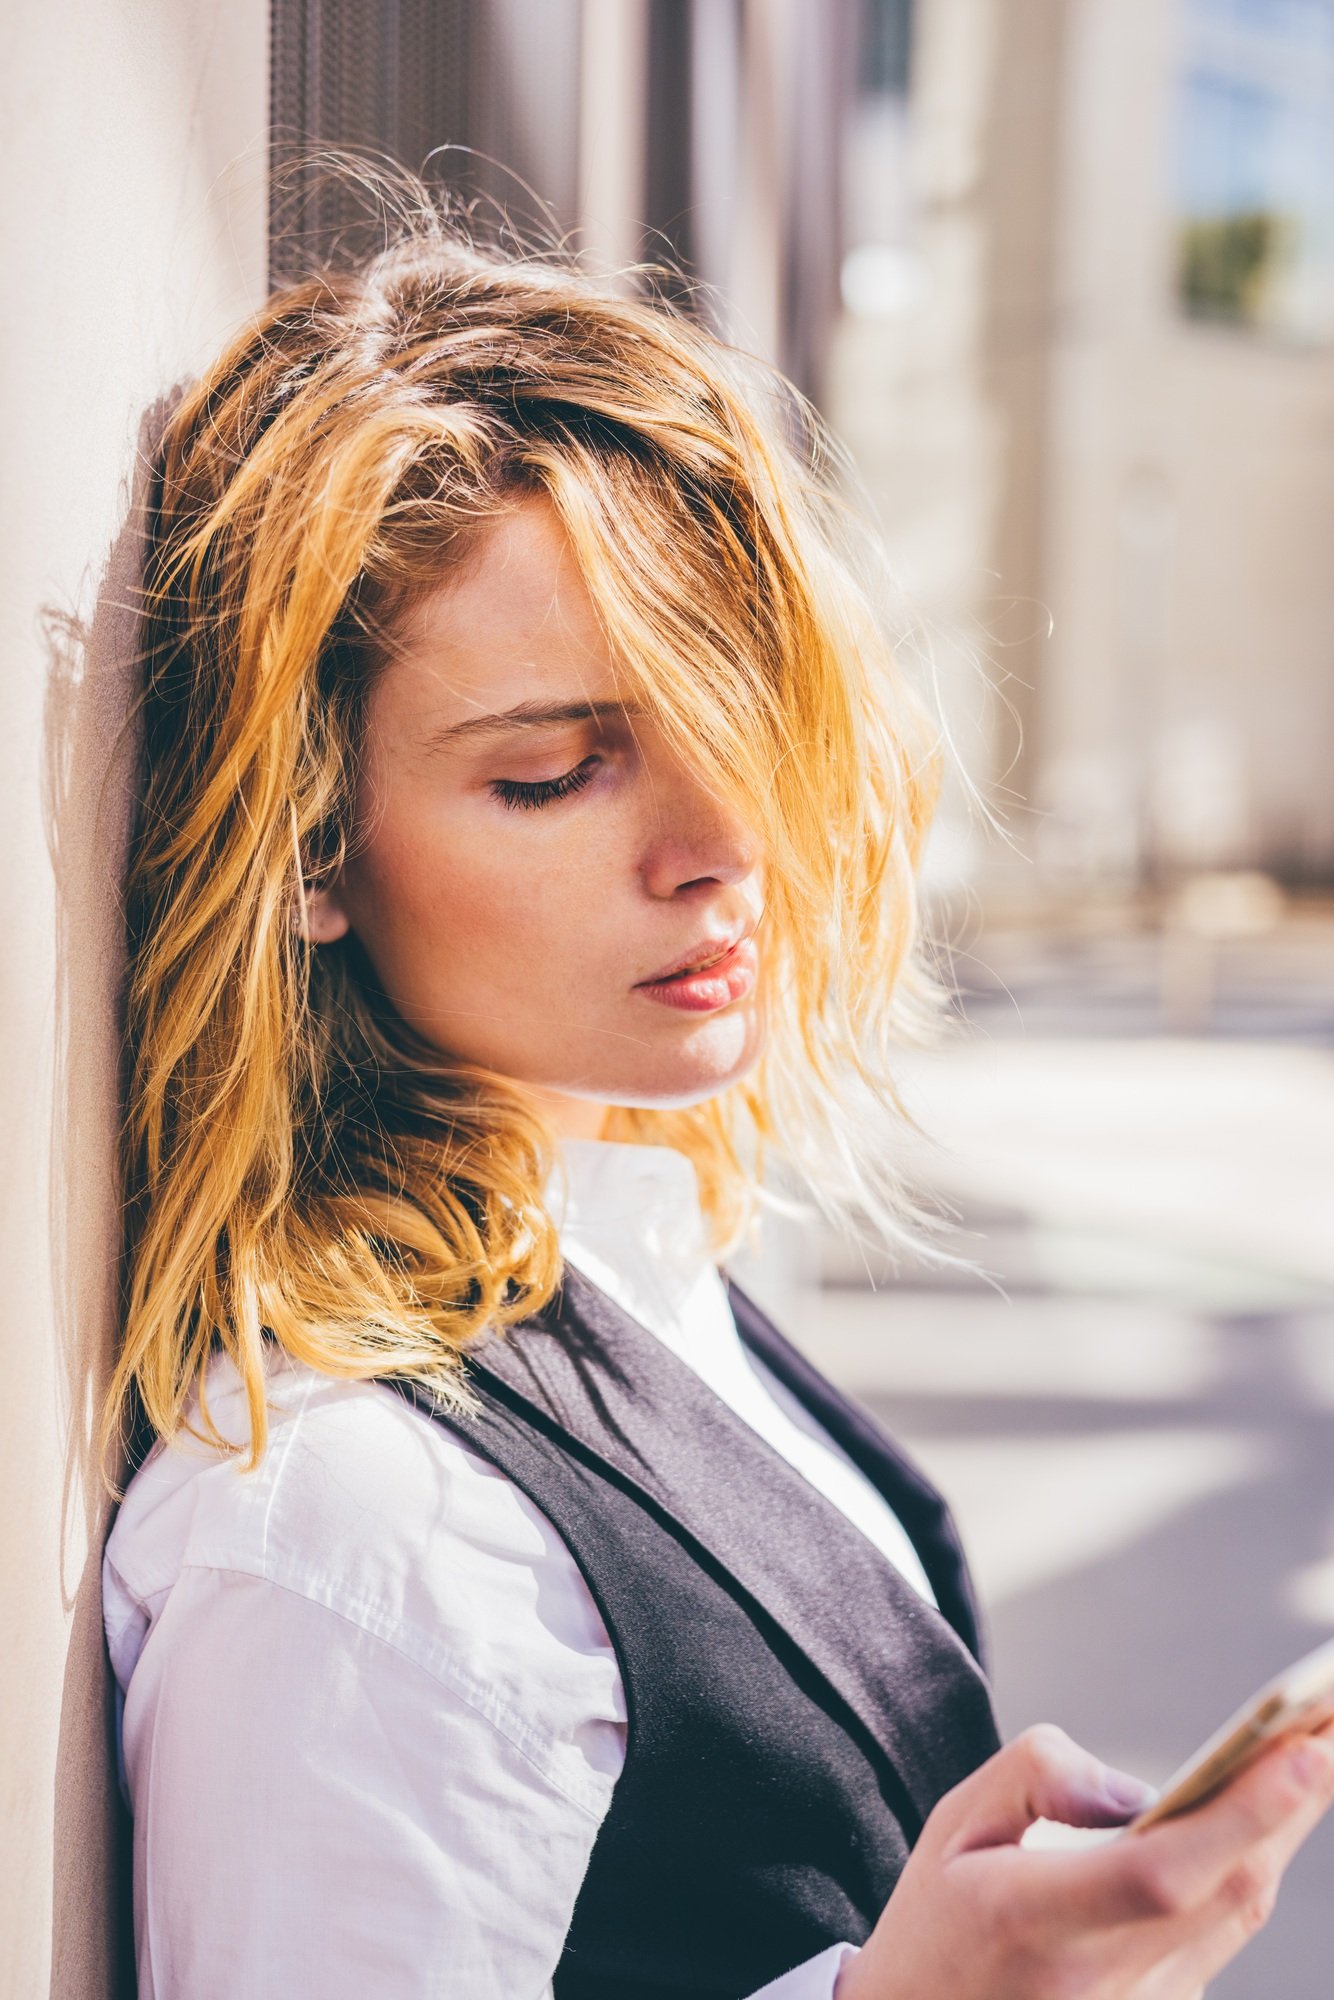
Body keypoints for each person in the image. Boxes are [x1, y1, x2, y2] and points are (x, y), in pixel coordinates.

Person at [100, 189, 1334, 1999]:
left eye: (727, 713)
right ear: (306, 849)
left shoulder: (625, 1254)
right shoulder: (350, 1542)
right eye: (554, 774)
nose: (717, 845)